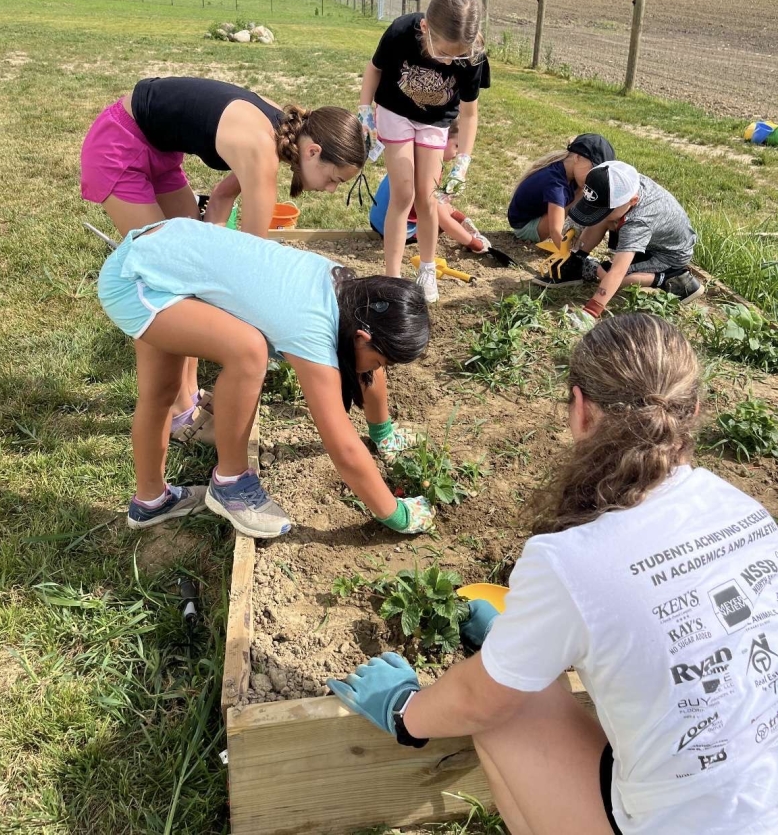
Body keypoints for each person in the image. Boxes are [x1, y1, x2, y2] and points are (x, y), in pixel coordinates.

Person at [329, 314, 778, 835]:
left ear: (581, 409)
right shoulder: (744, 510)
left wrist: (406, 713)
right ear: (694, 410)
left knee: (502, 715)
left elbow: (478, 702)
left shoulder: (569, 559)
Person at [97, 217, 435, 537]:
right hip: (139, 280)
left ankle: (151, 502)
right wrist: (394, 513)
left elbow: (368, 370)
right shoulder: (312, 331)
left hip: (165, 254)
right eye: (381, 361)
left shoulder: (348, 293)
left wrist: (383, 433)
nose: (378, 371)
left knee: (163, 392)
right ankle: (230, 483)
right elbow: (343, 445)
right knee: (247, 351)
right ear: (362, 338)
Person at [82, 76, 366, 436]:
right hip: (118, 146)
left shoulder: (283, 130)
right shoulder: (262, 154)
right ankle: (178, 410)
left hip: (160, 153)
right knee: (164, 276)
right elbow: (248, 269)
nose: (329, 189)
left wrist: (208, 241)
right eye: (334, 180)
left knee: (189, 279)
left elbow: (220, 197)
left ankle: (189, 393)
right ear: (313, 152)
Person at [358, 0, 491, 303]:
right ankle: (392, 277)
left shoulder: (472, 56)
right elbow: (374, 69)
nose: (448, 61)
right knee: (403, 195)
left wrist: (464, 160)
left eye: (456, 56)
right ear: (425, 28)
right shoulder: (402, 31)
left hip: (435, 121)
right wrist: (365, 109)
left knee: (429, 199)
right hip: (395, 112)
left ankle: (427, 270)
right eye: (443, 52)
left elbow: (470, 113)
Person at [533, 161, 704, 323]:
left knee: (607, 275)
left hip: (667, 255)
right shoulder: (621, 183)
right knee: (604, 218)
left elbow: (617, 272)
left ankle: (672, 279)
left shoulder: (638, 222)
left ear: (632, 201)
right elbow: (599, 206)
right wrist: (576, 225)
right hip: (651, 237)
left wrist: (590, 312)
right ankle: (577, 261)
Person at [369, 121, 492, 255]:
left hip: (378, 219)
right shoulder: (428, 170)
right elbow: (444, 220)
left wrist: (462, 219)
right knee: (433, 223)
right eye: (457, 146)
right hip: (396, 229)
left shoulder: (414, 157)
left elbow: (440, 201)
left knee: (434, 205)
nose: (457, 153)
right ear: (442, 140)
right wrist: (476, 244)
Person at [507, 133, 615, 249]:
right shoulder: (556, 185)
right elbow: (555, 232)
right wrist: (568, 255)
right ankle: (576, 230)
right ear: (577, 157)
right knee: (587, 194)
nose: (594, 177)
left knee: (589, 191)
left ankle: (579, 225)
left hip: (541, 214)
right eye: (593, 170)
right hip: (526, 227)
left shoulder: (565, 170)